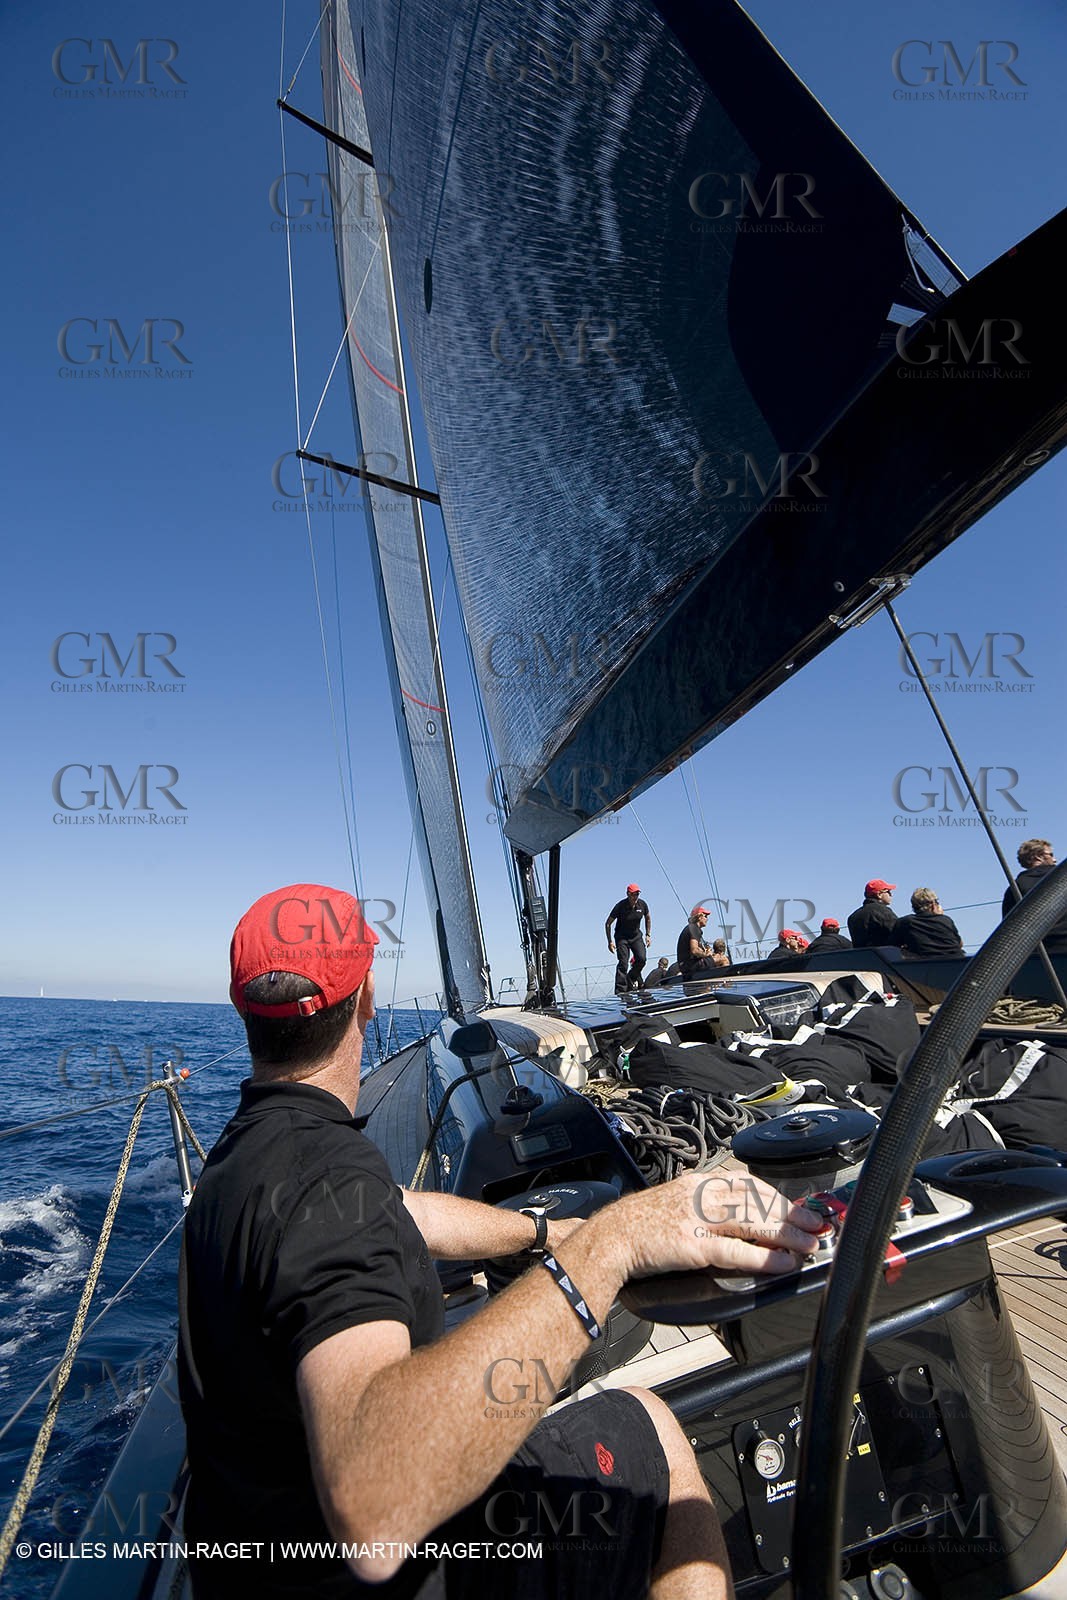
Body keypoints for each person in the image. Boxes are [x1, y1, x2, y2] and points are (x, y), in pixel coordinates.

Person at [178, 883, 823, 1600]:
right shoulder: (327, 1175)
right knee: (649, 1424)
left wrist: (548, 1230)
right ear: (365, 997)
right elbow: (374, 1504)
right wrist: (610, 1244)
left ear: (244, 1010)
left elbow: (403, 1212)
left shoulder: (247, 1152)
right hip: (398, 1571)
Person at [1002, 839, 1067, 953]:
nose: (1055, 859)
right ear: (1038, 857)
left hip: (1035, 954)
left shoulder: (1015, 888)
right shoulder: (1062, 878)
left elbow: (1007, 930)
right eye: (1051, 855)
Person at [605, 882, 652, 995]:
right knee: (623, 963)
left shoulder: (642, 905)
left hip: (636, 936)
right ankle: (620, 991)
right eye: (633, 894)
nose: (635, 897)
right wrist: (610, 941)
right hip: (622, 938)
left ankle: (630, 978)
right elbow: (608, 923)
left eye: (637, 894)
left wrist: (648, 934)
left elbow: (648, 918)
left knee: (641, 959)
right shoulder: (620, 906)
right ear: (628, 894)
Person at [893, 888, 964, 958]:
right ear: (933, 904)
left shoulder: (905, 922)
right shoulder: (947, 920)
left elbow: (893, 945)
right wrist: (940, 917)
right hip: (956, 962)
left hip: (924, 965)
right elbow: (960, 944)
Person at [847, 879, 900, 948]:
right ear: (879, 895)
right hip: (884, 956)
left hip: (862, 957)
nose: (891, 895)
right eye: (888, 892)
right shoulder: (883, 911)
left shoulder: (853, 916)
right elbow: (899, 933)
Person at [676, 904, 718, 978]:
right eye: (705, 916)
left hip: (685, 965)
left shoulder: (691, 928)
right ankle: (727, 987)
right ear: (699, 917)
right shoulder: (694, 929)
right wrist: (707, 955)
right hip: (690, 966)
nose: (707, 919)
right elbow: (695, 950)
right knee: (723, 959)